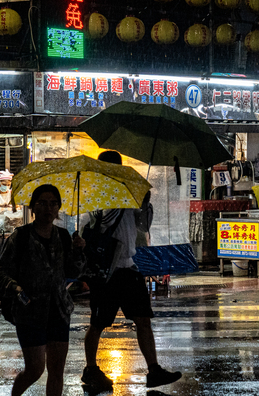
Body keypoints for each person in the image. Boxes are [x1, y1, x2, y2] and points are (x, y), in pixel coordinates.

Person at [81, 151, 182, 390]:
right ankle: (91, 369)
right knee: (98, 323)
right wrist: (123, 200)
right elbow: (97, 225)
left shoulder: (128, 192)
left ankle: (154, 370)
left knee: (143, 320)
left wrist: (144, 202)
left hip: (128, 267)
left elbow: (142, 226)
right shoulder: (98, 194)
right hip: (106, 271)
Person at [0, 184, 86, 396]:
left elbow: (73, 271)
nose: (48, 208)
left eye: (53, 204)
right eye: (42, 203)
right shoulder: (21, 237)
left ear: (58, 208)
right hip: (30, 312)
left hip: (59, 311)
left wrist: (79, 252)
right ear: (33, 207)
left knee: (56, 371)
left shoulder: (63, 236)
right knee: (35, 369)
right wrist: (15, 289)